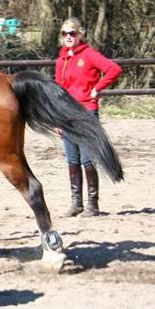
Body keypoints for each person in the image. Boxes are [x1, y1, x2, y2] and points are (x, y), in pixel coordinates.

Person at [55, 17, 122, 217]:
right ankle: (76, 203)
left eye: (72, 33)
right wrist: (57, 118)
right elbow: (59, 89)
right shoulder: (62, 60)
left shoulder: (89, 54)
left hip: (86, 111)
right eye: (65, 33)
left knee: (87, 158)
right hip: (67, 113)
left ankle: (92, 204)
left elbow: (114, 69)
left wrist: (97, 88)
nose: (68, 37)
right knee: (72, 159)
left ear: (80, 34)